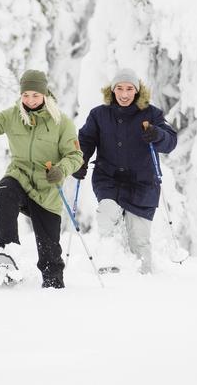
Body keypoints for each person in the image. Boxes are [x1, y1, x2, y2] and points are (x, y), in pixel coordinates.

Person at [0, 70, 83, 288]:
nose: (30, 100)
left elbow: (76, 156)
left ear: (45, 95)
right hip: (19, 177)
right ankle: (6, 252)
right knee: (4, 192)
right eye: (26, 95)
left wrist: (61, 169)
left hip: (47, 191)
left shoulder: (61, 122)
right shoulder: (13, 115)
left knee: (50, 256)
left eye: (35, 95)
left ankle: (54, 288)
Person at [74, 68, 177, 274]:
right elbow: (85, 141)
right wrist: (80, 161)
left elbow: (170, 141)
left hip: (143, 183)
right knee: (107, 214)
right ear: (112, 91)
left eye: (129, 89)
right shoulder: (99, 114)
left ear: (137, 91)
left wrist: (157, 134)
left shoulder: (151, 113)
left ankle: (143, 279)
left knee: (139, 241)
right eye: (119, 88)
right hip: (108, 179)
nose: (124, 94)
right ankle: (111, 260)